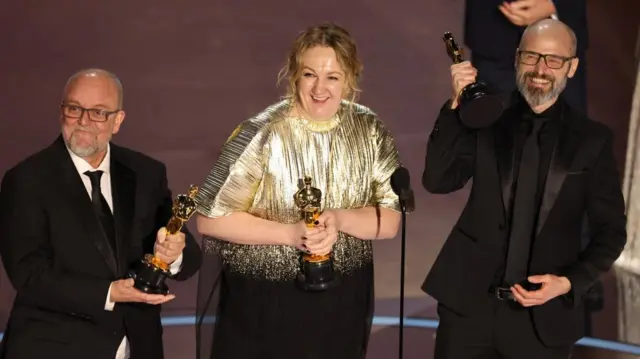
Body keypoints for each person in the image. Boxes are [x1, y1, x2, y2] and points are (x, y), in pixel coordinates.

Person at [194, 23, 402, 359]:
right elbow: (210, 219)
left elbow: (389, 222)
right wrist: (292, 234)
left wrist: (337, 219)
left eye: (333, 77)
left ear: (350, 80)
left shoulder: (371, 130)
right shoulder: (260, 133)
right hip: (265, 305)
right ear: (293, 75)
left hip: (342, 302)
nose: (320, 88)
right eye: (309, 75)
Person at [422, 19, 626, 358]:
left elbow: (612, 231)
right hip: (469, 310)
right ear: (517, 59)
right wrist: (453, 107)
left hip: (543, 320)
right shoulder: (487, 116)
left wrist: (568, 282)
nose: (540, 69)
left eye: (553, 59)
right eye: (531, 57)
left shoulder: (593, 141)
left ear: (571, 68)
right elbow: (438, 180)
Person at [0, 68, 202, 359]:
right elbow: (29, 275)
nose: (83, 121)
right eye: (74, 109)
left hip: (138, 346)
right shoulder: (26, 180)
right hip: (55, 347)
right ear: (62, 111)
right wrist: (109, 293)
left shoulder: (146, 172)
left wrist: (175, 253)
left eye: (98, 112)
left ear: (117, 120)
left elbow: (189, 258)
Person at [465, 0, 588, 113]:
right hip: (492, 32)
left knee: (566, 128)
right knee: (491, 126)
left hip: (562, 33)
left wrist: (556, 4)